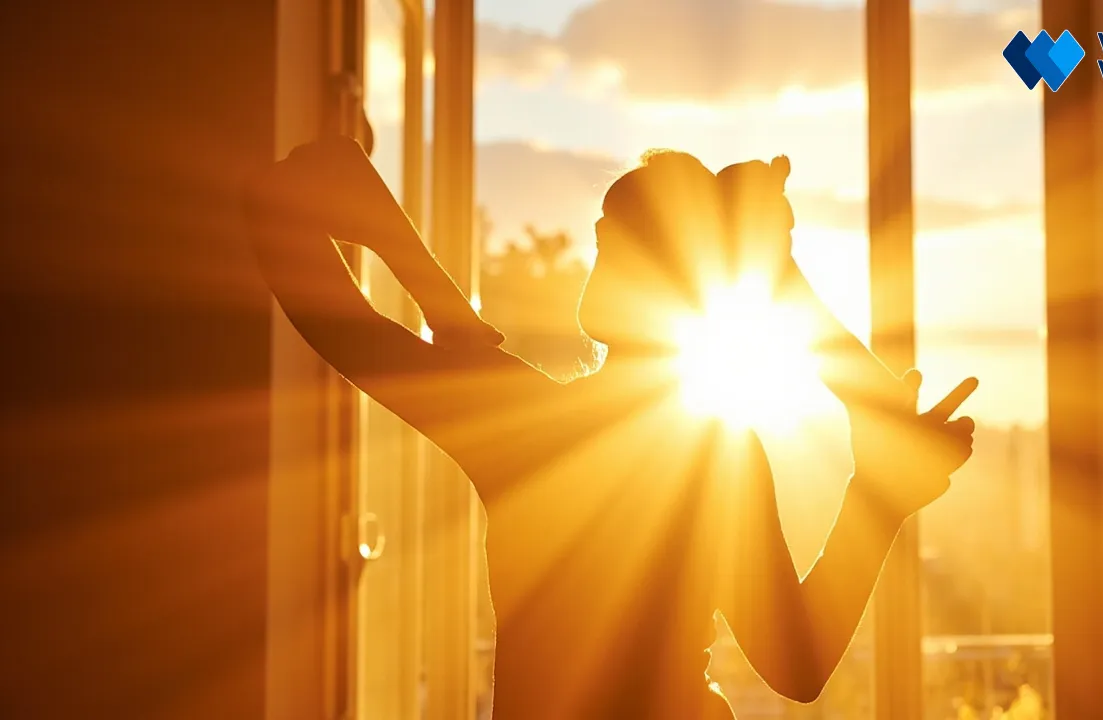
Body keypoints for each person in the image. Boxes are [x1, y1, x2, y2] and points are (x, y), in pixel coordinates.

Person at [244, 136, 978, 719]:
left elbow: (288, 237)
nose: (601, 250)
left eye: (627, 239)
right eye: (606, 236)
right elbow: (798, 665)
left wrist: (430, 286)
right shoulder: (717, 452)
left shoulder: (523, 421)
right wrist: (879, 493)